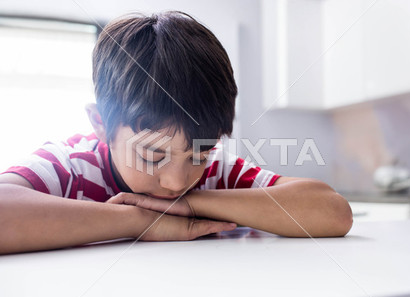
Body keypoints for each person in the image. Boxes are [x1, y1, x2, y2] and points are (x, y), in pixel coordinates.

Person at [0, 11, 352, 255]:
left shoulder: (217, 174)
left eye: (199, 153)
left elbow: (332, 212)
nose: (176, 180)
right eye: (153, 155)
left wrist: (188, 204)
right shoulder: (72, 167)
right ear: (101, 125)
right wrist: (138, 221)